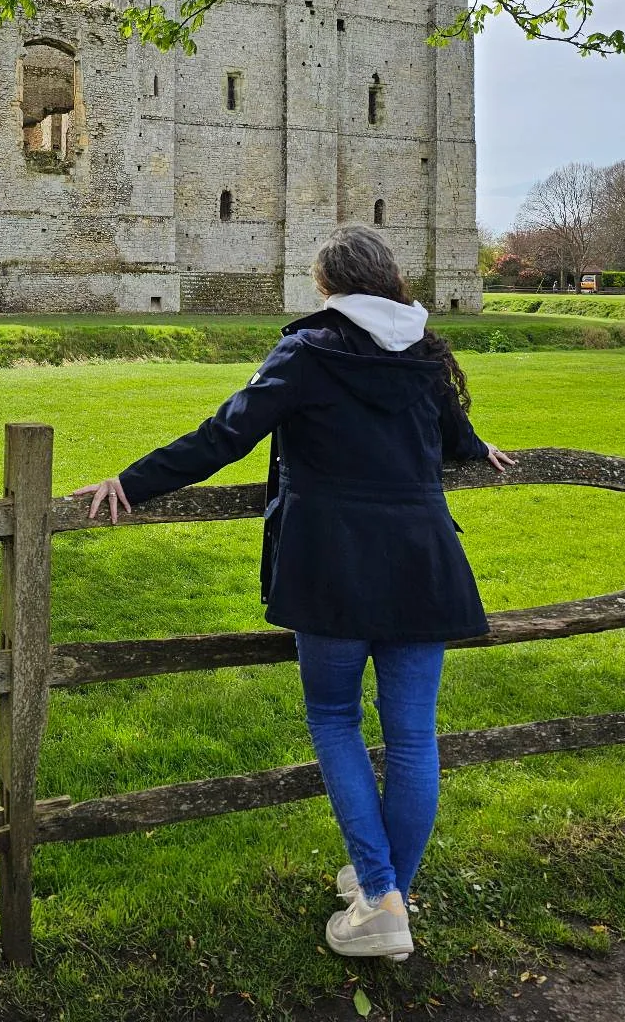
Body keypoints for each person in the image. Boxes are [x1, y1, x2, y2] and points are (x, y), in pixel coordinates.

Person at [73, 223, 513, 962]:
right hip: (421, 562)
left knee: (336, 718)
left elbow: (226, 435)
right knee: (412, 739)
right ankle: (387, 895)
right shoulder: (426, 353)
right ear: (389, 281)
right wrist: (477, 447)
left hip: (332, 564)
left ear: (328, 288)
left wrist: (133, 481)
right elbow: (447, 430)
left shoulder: (311, 351)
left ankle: (379, 894)